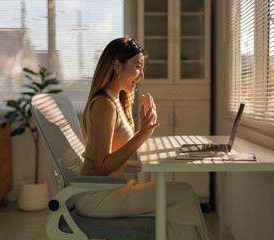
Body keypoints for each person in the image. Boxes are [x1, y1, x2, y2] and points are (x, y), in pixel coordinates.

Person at [75, 37, 209, 240]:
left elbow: (112, 160)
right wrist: (142, 135)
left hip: (110, 189)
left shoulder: (114, 100)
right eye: (137, 67)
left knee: (182, 197)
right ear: (117, 66)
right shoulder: (105, 104)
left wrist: (151, 157)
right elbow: (102, 166)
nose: (142, 75)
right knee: (183, 194)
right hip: (98, 196)